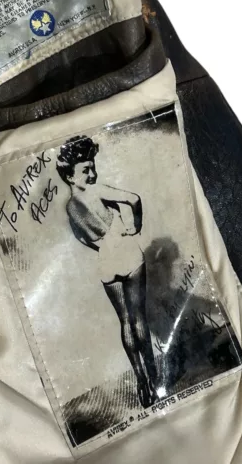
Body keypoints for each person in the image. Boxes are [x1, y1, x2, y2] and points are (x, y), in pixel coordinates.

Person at [57, 135, 158, 408]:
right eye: (85, 170)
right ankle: (154, 377)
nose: (92, 174)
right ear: (70, 176)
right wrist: (135, 226)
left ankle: (141, 381)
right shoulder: (97, 191)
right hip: (126, 252)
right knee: (138, 318)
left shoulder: (70, 208)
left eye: (93, 168)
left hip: (106, 262)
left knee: (125, 321)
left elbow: (81, 238)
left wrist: (102, 247)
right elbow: (134, 199)